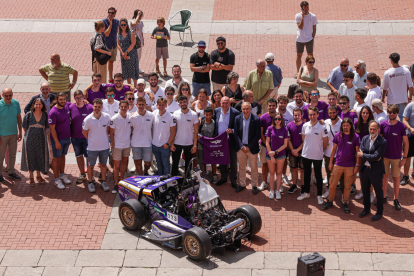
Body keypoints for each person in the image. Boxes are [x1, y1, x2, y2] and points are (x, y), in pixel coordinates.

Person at [322, 118, 360, 213]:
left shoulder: (355, 137)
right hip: (338, 164)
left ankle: (345, 202)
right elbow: (333, 149)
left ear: (351, 126)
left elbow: (357, 152)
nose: (345, 127)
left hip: (350, 166)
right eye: (344, 126)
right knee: (332, 184)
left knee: (347, 186)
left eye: (347, 125)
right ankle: (330, 201)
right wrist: (331, 162)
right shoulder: (338, 135)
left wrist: (357, 166)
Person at [380, 104, 409, 210]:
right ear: (388, 112)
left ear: (397, 114)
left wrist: (404, 158)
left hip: (396, 157)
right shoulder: (383, 125)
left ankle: (396, 199)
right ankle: (383, 197)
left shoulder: (402, 126)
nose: (391, 114)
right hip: (384, 157)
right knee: (384, 177)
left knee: (396, 179)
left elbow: (406, 143)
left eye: (393, 112)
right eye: (390, 112)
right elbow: (380, 140)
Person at [297, 106, 328, 203]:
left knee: (318, 176)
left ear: (318, 115)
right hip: (306, 155)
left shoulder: (322, 127)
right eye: (310, 114)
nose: (312, 116)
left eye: (314, 114)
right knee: (307, 175)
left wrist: (318, 150)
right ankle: (306, 193)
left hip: (317, 156)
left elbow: (326, 142)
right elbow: (303, 139)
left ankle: (319, 195)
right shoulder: (305, 125)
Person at [357, 120, 387, 221]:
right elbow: (362, 151)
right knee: (365, 190)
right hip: (365, 169)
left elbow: (376, 156)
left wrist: (364, 155)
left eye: (374, 129)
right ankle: (366, 209)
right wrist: (370, 156)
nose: (372, 130)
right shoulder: (365, 138)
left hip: (376, 171)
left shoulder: (382, 142)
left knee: (378, 191)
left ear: (378, 130)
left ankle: (379, 212)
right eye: (370, 129)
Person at [82, 98, 111, 193]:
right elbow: (84, 132)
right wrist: (90, 140)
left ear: (102, 107)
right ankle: (90, 182)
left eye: (99, 107)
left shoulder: (107, 117)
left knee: (103, 165)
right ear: (93, 107)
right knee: (91, 166)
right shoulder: (88, 119)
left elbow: (109, 129)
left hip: (104, 147)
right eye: (95, 107)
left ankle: (103, 181)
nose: (97, 108)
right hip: (92, 147)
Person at [233, 102, 261, 194]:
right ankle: (242, 184)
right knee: (241, 167)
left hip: (252, 148)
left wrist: (249, 147)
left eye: (247, 109)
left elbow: (257, 135)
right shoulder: (237, 118)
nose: (245, 111)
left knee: (254, 168)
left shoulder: (256, 119)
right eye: (243, 109)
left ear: (251, 109)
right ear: (241, 109)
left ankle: (254, 185)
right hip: (241, 148)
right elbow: (236, 134)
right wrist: (241, 146)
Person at [24, 82, 55, 163]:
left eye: (47, 89)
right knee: (41, 144)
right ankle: (42, 162)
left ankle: (50, 162)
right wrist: (34, 118)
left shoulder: (54, 97)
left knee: (51, 144)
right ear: (40, 89)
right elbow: (26, 109)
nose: (45, 91)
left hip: (52, 125)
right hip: (41, 125)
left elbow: (63, 105)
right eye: (43, 89)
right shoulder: (36, 98)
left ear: (49, 89)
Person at [21, 98, 49, 186]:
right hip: (29, 139)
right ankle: (31, 176)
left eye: (40, 104)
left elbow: (47, 126)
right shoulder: (28, 114)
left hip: (41, 139)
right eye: (36, 104)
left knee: (39, 156)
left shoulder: (45, 114)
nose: (38, 106)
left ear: (42, 105)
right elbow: (24, 127)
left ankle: (38, 175)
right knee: (30, 157)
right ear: (33, 105)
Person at [213, 97, 240, 187]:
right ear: (220, 103)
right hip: (220, 141)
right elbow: (211, 120)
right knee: (222, 160)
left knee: (233, 161)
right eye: (223, 103)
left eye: (226, 103)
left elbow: (239, 127)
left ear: (230, 103)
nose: (225, 105)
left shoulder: (235, 112)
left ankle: (233, 179)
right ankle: (224, 178)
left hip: (231, 140)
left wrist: (232, 130)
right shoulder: (217, 111)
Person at [48, 92, 72, 189]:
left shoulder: (67, 105)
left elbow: (76, 104)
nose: (63, 101)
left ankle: (62, 174)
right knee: (56, 159)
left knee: (63, 156)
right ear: (57, 99)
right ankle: (57, 179)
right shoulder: (53, 112)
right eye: (61, 99)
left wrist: (86, 101)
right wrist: (57, 142)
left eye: (64, 99)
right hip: (58, 140)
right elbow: (52, 129)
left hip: (67, 138)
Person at [171, 96, 199, 176]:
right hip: (177, 142)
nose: (183, 104)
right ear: (178, 104)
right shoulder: (175, 114)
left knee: (188, 164)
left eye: (184, 102)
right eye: (180, 102)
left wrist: (194, 145)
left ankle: (187, 181)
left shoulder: (194, 114)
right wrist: (172, 144)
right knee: (175, 163)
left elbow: (196, 131)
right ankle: (174, 181)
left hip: (189, 143)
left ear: (187, 102)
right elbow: (173, 131)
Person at [70, 90, 93, 184]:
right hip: (75, 138)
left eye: (81, 97)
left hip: (87, 138)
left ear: (84, 97)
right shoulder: (71, 107)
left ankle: (90, 176)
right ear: (74, 98)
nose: (79, 99)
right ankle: (82, 174)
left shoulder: (90, 107)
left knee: (88, 157)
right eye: (77, 98)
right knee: (79, 156)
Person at [382, 53, 414, 120]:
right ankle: (402, 130)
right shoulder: (406, 71)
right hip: (403, 100)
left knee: (391, 118)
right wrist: (410, 98)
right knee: (403, 118)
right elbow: (411, 86)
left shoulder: (387, 73)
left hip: (392, 101)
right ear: (399, 59)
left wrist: (383, 97)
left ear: (391, 60)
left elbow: (385, 88)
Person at [265, 112, 289, 200]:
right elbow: (267, 142)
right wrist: (271, 154)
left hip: (281, 155)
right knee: (271, 173)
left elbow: (285, 144)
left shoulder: (285, 129)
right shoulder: (270, 128)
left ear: (281, 120)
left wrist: (275, 152)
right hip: (270, 154)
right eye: (276, 119)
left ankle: (278, 190)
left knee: (279, 173)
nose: (277, 120)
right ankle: (272, 190)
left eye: (279, 119)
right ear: (273, 120)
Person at [110, 100, 131, 193]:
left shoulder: (130, 117)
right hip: (117, 146)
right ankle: (115, 184)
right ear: (119, 107)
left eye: (125, 106)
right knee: (116, 165)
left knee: (124, 164)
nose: (123, 108)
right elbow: (111, 133)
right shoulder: (114, 118)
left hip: (127, 145)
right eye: (121, 106)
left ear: (128, 107)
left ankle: (121, 181)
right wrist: (113, 144)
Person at [322, 105, 343, 199]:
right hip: (327, 153)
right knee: (329, 173)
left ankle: (343, 194)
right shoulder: (325, 122)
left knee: (342, 176)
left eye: (334, 112)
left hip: (340, 154)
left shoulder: (342, 123)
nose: (332, 114)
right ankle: (330, 191)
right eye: (330, 113)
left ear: (337, 112)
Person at [130, 97, 155, 176]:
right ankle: (141, 177)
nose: (141, 106)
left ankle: (145, 172)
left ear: (145, 105)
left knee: (148, 163)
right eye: (139, 104)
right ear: (136, 105)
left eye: (142, 105)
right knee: (138, 162)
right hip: (135, 143)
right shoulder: (132, 117)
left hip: (148, 143)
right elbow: (130, 129)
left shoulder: (151, 115)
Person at [152, 98, 176, 175]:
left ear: (166, 105)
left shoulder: (170, 116)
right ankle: (160, 181)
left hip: (165, 146)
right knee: (159, 164)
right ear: (157, 105)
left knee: (166, 164)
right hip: (155, 145)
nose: (161, 107)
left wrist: (168, 143)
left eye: (163, 105)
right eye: (159, 105)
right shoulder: (154, 113)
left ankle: (167, 182)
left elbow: (173, 132)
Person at [258, 98, 278, 191]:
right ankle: (265, 182)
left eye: (273, 105)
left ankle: (278, 184)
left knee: (277, 166)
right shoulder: (263, 117)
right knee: (264, 164)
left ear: (276, 106)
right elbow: (261, 132)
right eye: (270, 105)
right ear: (267, 106)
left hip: (277, 147)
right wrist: (266, 144)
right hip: (264, 146)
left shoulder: (279, 117)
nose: (271, 107)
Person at [287, 108, 305, 194]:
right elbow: (288, 140)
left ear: (301, 115)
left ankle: (303, 186)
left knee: (302, 170)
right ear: (293, 115)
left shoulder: (306, 125)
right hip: (292, 152)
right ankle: (294, 185)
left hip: (303, 152)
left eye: (298, 115)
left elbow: (305, 141)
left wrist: (297, 150)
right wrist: (292, 150)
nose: (297, 117)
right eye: (295, 115)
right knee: (293, 169)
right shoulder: (289, 125)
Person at [117, 18, 139, 87]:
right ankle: (130, 86)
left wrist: (126, 52)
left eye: (124, 24)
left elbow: (133, 43)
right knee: (126, 70)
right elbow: (118, 44)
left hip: (132, 53)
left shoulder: (131, 32)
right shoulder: (119, 33)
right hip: (123, 54)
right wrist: (122, 53)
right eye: (121, 24)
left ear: (127, 25)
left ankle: (135, 86)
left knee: (133, 69)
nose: (123, 26)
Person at [198, 106, 217, 182]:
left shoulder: (214, 122)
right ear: (204, 114)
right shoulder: (201, 122)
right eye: (206, 115)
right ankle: (204, 174)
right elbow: (198, 132)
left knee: (213, 160)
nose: (208, 116)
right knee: (202, 160)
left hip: (211, 144)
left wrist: (212, 138)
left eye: (210, 114)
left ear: (212, 114)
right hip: (201, 144)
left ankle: (214, 174)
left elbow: (215, 133)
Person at [102, 7, 120, 83]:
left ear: (115, 14)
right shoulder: (103, 22)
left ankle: (110, 77)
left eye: (112, 13)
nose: (110, 14)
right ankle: (103, 78)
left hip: (114, 45)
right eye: (109, 12)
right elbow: (106, 34)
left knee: (111, 61)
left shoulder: (117, 22)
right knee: (104, 62)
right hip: (106, 46)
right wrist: (110, 24)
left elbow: (119, 33)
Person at [402, 101, 414, 185]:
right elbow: (404, 120)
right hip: (411, 135)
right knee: (408, 156)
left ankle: (413, 172)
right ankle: (405, 176)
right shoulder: (410, 106)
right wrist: (411, 128)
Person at [130, 9, 145, 74]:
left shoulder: (141, 22)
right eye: (139, 15)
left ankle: (137, 68)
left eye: (141, 15)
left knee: (139, 56)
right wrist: (137, 17)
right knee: (134, 56)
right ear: (135, 15)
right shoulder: (132, 21)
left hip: (140, 42)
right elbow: (134, 24)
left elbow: (141, 31)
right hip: (134, 42)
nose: (141, 16)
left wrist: (143, 40)